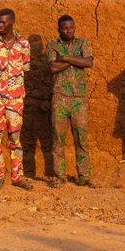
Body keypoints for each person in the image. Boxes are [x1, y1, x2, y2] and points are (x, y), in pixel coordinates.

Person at [0, 8, 33, 190]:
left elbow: (24, 69)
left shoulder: (24, 44)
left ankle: (18, 176)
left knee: (15, 138)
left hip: (16, 98)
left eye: (3, 22)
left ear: (12, 22)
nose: (0, 25)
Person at [46, 16, 95, 188]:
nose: (69, 30)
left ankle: (84, 176)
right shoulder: (52, 45)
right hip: (60, 97)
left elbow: (88, 62)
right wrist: (76, 60)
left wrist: (65, 58)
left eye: (71, 27)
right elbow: (52, 67)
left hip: (79, 99)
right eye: (65, 28)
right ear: (59, 29)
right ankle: (60, 176)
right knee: (58, 139)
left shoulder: (82, 43)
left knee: (81, 139)